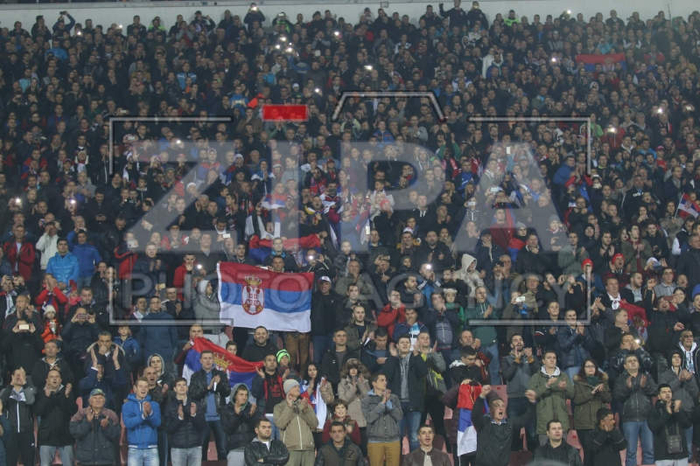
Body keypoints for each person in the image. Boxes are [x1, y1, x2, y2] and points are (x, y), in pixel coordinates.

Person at [471, 384, 537, 466]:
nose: (500, 408)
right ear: (491, 410)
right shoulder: (484, 423)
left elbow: (526, 419)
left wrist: (532, 402)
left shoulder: (509, 424)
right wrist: (482, 396)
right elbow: (475, 415)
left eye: (502, 405)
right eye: (497, 406)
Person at [613, 353, 657, 466]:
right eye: (629, 361)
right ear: (625, 366)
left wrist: (645, 386)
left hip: (647, 418)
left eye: (635, 360)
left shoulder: (646, 377)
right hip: (629, 419)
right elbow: (617, 396)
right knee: (631, 452)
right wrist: (627, 388)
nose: (633, 362)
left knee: (649, 450)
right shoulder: (621, 379)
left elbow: (654, 391)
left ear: (638, 364)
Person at [188, 350, 230, 462]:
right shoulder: (196, 376)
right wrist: (207, 388)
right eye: (205, 358)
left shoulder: (221, 375)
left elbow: (227, 392)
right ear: (200, 361)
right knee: (202, 450)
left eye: (210, 358)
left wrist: (219, 384)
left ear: (213, 360)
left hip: (219, 417)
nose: (208, 361)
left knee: (223, 450)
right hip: (203, 418)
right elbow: (193, 394)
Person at [528, 350, 574, 444]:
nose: (552, 360)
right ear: (543, 361)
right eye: (549, 358)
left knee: (562, 452)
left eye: (554, 358)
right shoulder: (536, 377)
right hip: (544, 424)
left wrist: (565, 388)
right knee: (545, 452)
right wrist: (547, 385)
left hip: (561, 423)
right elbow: (533, 395)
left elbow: (572, 394)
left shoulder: (563, 376)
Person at [35, 368, 77, 466]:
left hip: (65, 437)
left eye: (57, 377)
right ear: (47, 380)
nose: (54, 379)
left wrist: (67, 396)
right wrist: (46, 397)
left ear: (61, 380)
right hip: (46, 438)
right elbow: (37, 411)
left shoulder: (67, 392)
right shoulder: (41, 393)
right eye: (51, 377)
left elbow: (73, 411)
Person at [573, 359, 612, 466]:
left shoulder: (603, 382)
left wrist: (602, 392)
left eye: (593, 366)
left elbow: (608, 399)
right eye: (588, 366)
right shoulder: (578, 383)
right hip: (583, 423)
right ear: (583, 369)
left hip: (599, 423)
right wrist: (591, 393)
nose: (590, 368)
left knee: (599, 452)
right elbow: (576, 399)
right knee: (588, 452)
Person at [69, 388, 122, 466]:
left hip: (105, 461)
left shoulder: (111, 415)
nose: (98, 400)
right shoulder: (81, 414)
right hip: (85, 461)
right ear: (90, 401)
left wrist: (107, 427)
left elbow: (116, 435)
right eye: (95, 398)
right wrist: (87, 422)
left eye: (100, 398)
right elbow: (75, 432)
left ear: (104, 400)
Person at [361, 373, 403, 466]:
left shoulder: (393, 398)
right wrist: (382, 403)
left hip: (393, 440)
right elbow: (369, 418)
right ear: (374, 383)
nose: (385, 382)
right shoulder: (366, 400)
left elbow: (399, 416)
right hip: (375, 440)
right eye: (382, 380)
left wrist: (389, 403)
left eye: (385, 380)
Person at [273, 379, 317, 465]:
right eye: (294, 386)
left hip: (308, 448)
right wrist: (289, 407)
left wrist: (305, 410)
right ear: (288, 390)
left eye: (298, 386)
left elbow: (314, 424)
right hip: (290, 449)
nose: (298, 388)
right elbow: (280, 424)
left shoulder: (305, 405)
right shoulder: (279, 407)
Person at [648, 384, 693, 466]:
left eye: (669, 391)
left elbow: (687, 424)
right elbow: (654, 427)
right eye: (664, 392)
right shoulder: (654, 410)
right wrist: (667, 414)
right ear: (659, 396)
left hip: (681, 454)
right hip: (663, 455)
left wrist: (677, 411)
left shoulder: (678, 408)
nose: (667, 394)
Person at [165, 378, 206, 466]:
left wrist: (194, 415)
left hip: (195, 447)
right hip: (178, 448)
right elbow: (168, 429)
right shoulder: (170, 406)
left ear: (187, 388)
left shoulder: (195, 404)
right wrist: (179, 418)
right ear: (175, 389)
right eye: (179, 385)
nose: (182, 387)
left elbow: (202, 426)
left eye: (184, 385)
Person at [0, 367, 36, 466]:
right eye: (17, 375)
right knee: (10, 462)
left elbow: (30, 401)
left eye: (22, 375)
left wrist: (25, 384)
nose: (19, 377)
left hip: (27, 432)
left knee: (29, 461)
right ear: (12, 376)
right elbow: (2, 402)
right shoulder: (5, 391)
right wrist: (11, 385)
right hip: (11, 432)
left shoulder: (29, 390)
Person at [123, 377, 162, 466]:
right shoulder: (127, 405)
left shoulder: (154, 405)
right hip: (134, 449)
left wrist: (150, 413)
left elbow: (157, 423)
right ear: (135, 388)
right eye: (140, 386)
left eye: (146, 386)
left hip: (151, 448)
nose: (143, 389)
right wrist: (143, 416)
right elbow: (128, 423)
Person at [221, 383, 259, 465]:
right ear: (235, 395)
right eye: (241, 394)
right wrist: (236, 415)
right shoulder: (226, 409)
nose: (244, 397)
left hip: (251, 450)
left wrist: (251, 415)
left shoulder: (251, 409)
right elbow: (228, 429)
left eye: (246, 395)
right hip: (235, 449)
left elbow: (256, 429)